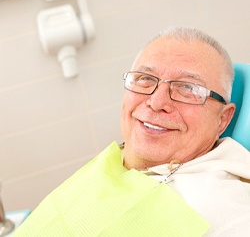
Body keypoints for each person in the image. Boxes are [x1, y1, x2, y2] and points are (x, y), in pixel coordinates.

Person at [13, 27, 250, 237]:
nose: (156, 102)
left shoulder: (226, 210)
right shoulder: (120, 160)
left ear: (223, 119)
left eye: (188, 88)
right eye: (146, 79)